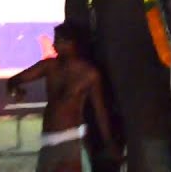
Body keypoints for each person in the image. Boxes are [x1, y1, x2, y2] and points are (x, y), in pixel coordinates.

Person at [6, 22, 119, 172]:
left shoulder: (89, 74)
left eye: (58, 41)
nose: (54, 45)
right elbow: (14, 80)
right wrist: (16, 90)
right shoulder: (49, 66)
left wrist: (109, 143)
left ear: (72, 44)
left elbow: (100, 111)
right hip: (48, 142)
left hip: (71, 141)